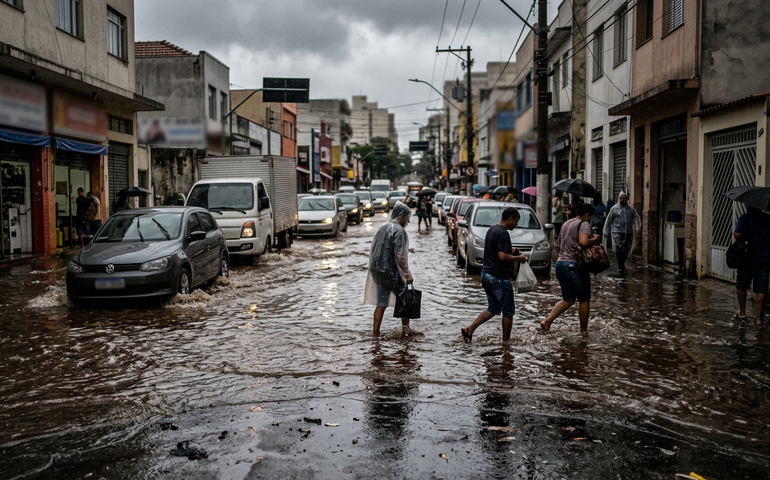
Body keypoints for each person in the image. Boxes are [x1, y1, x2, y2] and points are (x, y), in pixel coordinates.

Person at [461, 207, 528, 343]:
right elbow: (502, 257)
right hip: (498, 277)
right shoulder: (503, 233)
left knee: (494, 308)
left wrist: (512, 250)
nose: (516, 224)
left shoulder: (492, 229)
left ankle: (470, 329)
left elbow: (496, 250)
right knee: (508, 311)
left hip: (486, 275)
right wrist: (519, 258)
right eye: (516, 221)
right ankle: (506, 344)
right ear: (510, 219)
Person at [540, 203, 601, 333]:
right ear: (586, 215)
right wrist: (595, 239)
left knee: (568, 299)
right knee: (584, 299)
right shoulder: (583, 224)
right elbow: (584, 242)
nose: (590, 220)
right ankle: (584, 332)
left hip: (560, 264)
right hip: (574, 266)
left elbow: (559, 244)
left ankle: (547, 322)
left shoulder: (566, 224)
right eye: (590, 217)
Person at [363, 202, 414, 336]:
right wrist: (407, 274)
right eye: (407, 217)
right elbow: (400, 256)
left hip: (377, 271)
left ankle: (375, 335)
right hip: (390, 272)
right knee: (404, 300)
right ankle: (406, 331)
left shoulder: (383, 227)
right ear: (401, 216)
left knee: (381, 302)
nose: (408, 220)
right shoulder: (399, 231)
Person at [734, 206, 770, 324]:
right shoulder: (768, 219)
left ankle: (742, 312)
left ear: (749, 206)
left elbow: (737, 234)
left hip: (746, 259)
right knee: (761, 288)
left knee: (742, 285)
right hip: (764, 258)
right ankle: (758, 318)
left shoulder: (745, 218)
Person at [603, 191, 641, 274]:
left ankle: (622, 262)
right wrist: (606, 231)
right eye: (621, 198)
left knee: (626, 249)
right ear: (618, 199)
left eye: (624, 198)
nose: (622, 200)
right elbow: (608, 220)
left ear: (627, 199)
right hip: (617, 232)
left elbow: (637, 219)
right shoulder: (614, 209)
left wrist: (638, 228)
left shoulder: (631, 209)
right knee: (619, 249)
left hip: (628, 232)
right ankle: (620, 265)